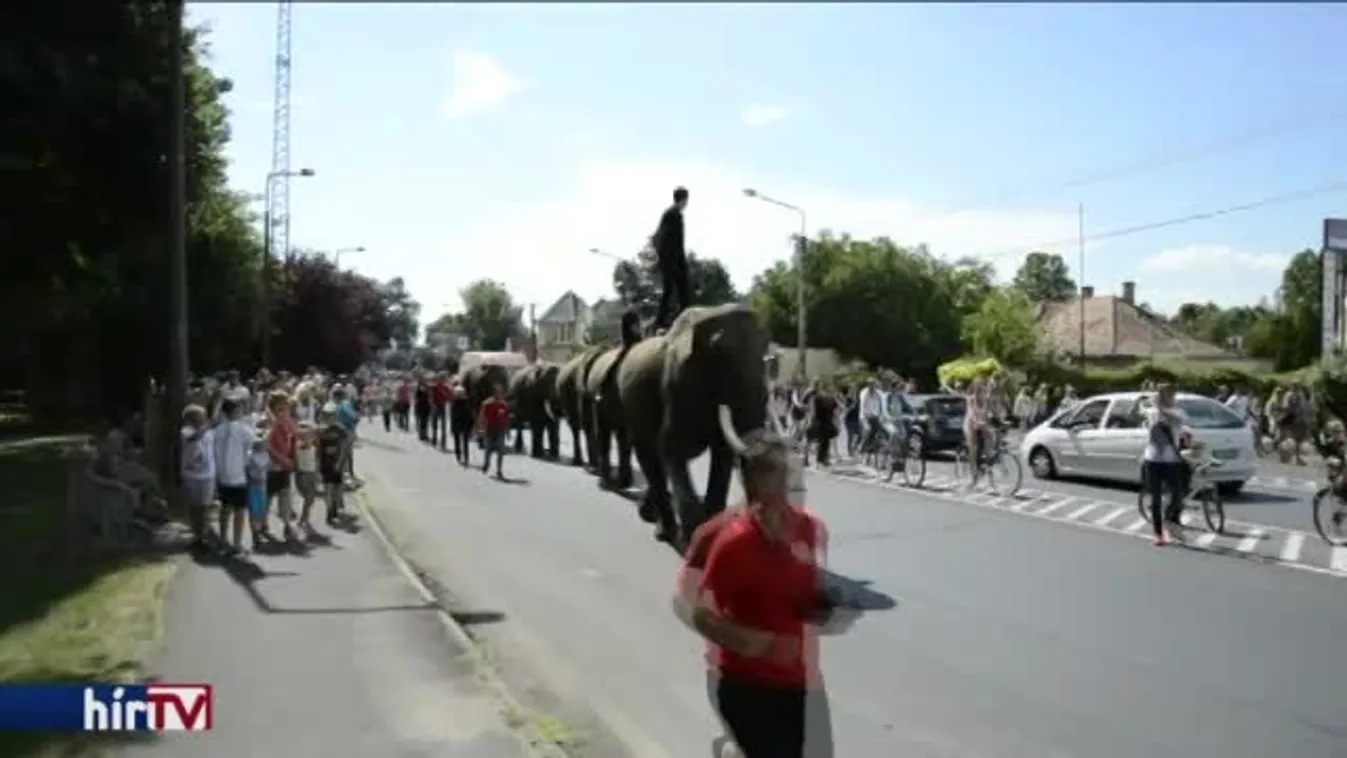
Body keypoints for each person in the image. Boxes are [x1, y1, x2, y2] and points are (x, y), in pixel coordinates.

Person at [673, 429, 833, 758]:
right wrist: (753, 642)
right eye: (777, 476)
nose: (789, 485)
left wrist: (820, 607)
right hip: (745, 682)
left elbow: (805, 595)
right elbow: (692, 608)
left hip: (796, 679)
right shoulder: (726, 538)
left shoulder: (808, 529)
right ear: (751, 480)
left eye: (791, 475)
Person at [1143, 383, 1188, 546]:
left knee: (1177, 495)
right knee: (1155, 499)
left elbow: (1176, 420)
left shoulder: (1177, 411)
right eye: (1161, 394)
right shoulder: (1152, 412)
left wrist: (1160, 407)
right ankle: (1158, 533)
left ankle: (1169, 521)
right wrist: (1153, 404)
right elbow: (1148, 414)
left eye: (1168, 394)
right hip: (1152, 460)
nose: (1165, 397)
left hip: (1171, 461)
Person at [214, 398, 256, 555]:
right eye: (239, 410)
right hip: (239, 475)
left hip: (222, 475)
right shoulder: (243, 429)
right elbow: (253, 445)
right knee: (239, 510)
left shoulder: (217, 430)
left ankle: (223, 539)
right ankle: (237, 542)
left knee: (225, 508)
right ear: (235, 411)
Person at [651, 186, 691, 331]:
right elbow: (669, 240)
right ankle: (663, 321)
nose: (687, 203)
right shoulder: (673, 215)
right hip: (672, 260)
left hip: (672, 259)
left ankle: (668, 319)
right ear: (683, 199)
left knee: (676, 290)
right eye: (687, 200)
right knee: (676, 290)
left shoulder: (671, 214)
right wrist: (671, 260)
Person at [180, 404, 217, 551]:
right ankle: (197, 536)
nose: (204, 419)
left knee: (206, 507)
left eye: (204, 416)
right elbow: (194, 438)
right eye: (201, 416)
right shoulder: (185, 432)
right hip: (192, 476)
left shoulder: (208, 433)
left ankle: (204, 536)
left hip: (208, 475)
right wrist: (209, 424)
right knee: (195, 508)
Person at [317, 403, 350, 525]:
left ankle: (335, 505)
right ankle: (329, 510)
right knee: (327, 487)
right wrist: (317, 465)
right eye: (326, 415)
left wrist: (341, 463)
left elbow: (343, 448)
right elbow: (319, 449)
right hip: (325, 463)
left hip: (337, 464)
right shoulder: (321, 430)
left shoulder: (341, 430)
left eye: (331, 415)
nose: (329, 418)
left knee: (336, 487)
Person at [477, 383, 511, 479]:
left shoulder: (504, 405)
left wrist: (507, 431)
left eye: (501, 393)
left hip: (500, 430)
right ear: (494, 393)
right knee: (488, 450)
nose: (499, 395)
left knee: (501, 451)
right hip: (489, 429)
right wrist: (480, 429)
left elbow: (507, 418)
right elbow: (481, 417)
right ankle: (486, 463)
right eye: (497, 392)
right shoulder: (487, 403)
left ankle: (499, 470)